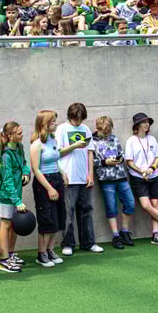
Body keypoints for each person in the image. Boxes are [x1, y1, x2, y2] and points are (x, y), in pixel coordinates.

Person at [55, 103, 103, 256]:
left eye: (81, 118)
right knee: (68, 212)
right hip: (68, 177)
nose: (79, 121)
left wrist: (90, 174)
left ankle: (88, 243)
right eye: (76, 118)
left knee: (87, 210)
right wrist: (74, 145)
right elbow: (57, 153)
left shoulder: (86, 129)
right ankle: (68, 243)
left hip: (84, 177)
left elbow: (90, 152)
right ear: (70, 116)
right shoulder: (61, 129)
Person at [30, 110, 75, 266]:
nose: (56, 124)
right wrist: (49, 188)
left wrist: (62, 173)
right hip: (44, 183)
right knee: (47, 219)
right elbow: (36, 169)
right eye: (53, 122)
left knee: (58, 217)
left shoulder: (52, 140)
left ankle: (50, 250)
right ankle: (41, 254)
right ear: (45, 124)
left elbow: (55, 160)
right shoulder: (36, 145)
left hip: (56, 179)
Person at [124, 113, 158, 246]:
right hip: (138, 177)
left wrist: (152, 168)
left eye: (148, 122)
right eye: (144, 122)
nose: (147, 124)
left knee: (155, 204)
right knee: (146, 205)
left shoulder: (152, 139)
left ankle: (156, 234)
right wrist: (142, 171)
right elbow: (129, 162)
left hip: (153, 175)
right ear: (137, 125)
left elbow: (157, 157)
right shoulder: (131, 141)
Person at [90, 116, 136, 249]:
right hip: (106, 179)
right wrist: (105, 162)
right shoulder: (92, 141)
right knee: (111, 207)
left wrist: (120, 159)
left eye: (109, 131)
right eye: (104, 132)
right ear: (98, 129)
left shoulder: (114, 138)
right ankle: (116, 236)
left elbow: (122, 154)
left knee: (130, 203)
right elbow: (90, 161)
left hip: (120, 176)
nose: (107, 134)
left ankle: (124, 232)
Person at [0, 122, 31, 273]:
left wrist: (26, 173)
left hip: (17, 194)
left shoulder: (19, 147)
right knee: (6, 224)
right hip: (6, 195)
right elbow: (7, 180)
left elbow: (24, 163)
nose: (22, 135)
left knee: (15, 225)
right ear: (10, 136)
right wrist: (17, 201)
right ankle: (4, 260)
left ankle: (10, 254)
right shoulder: (5, 155)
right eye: (19, 133)